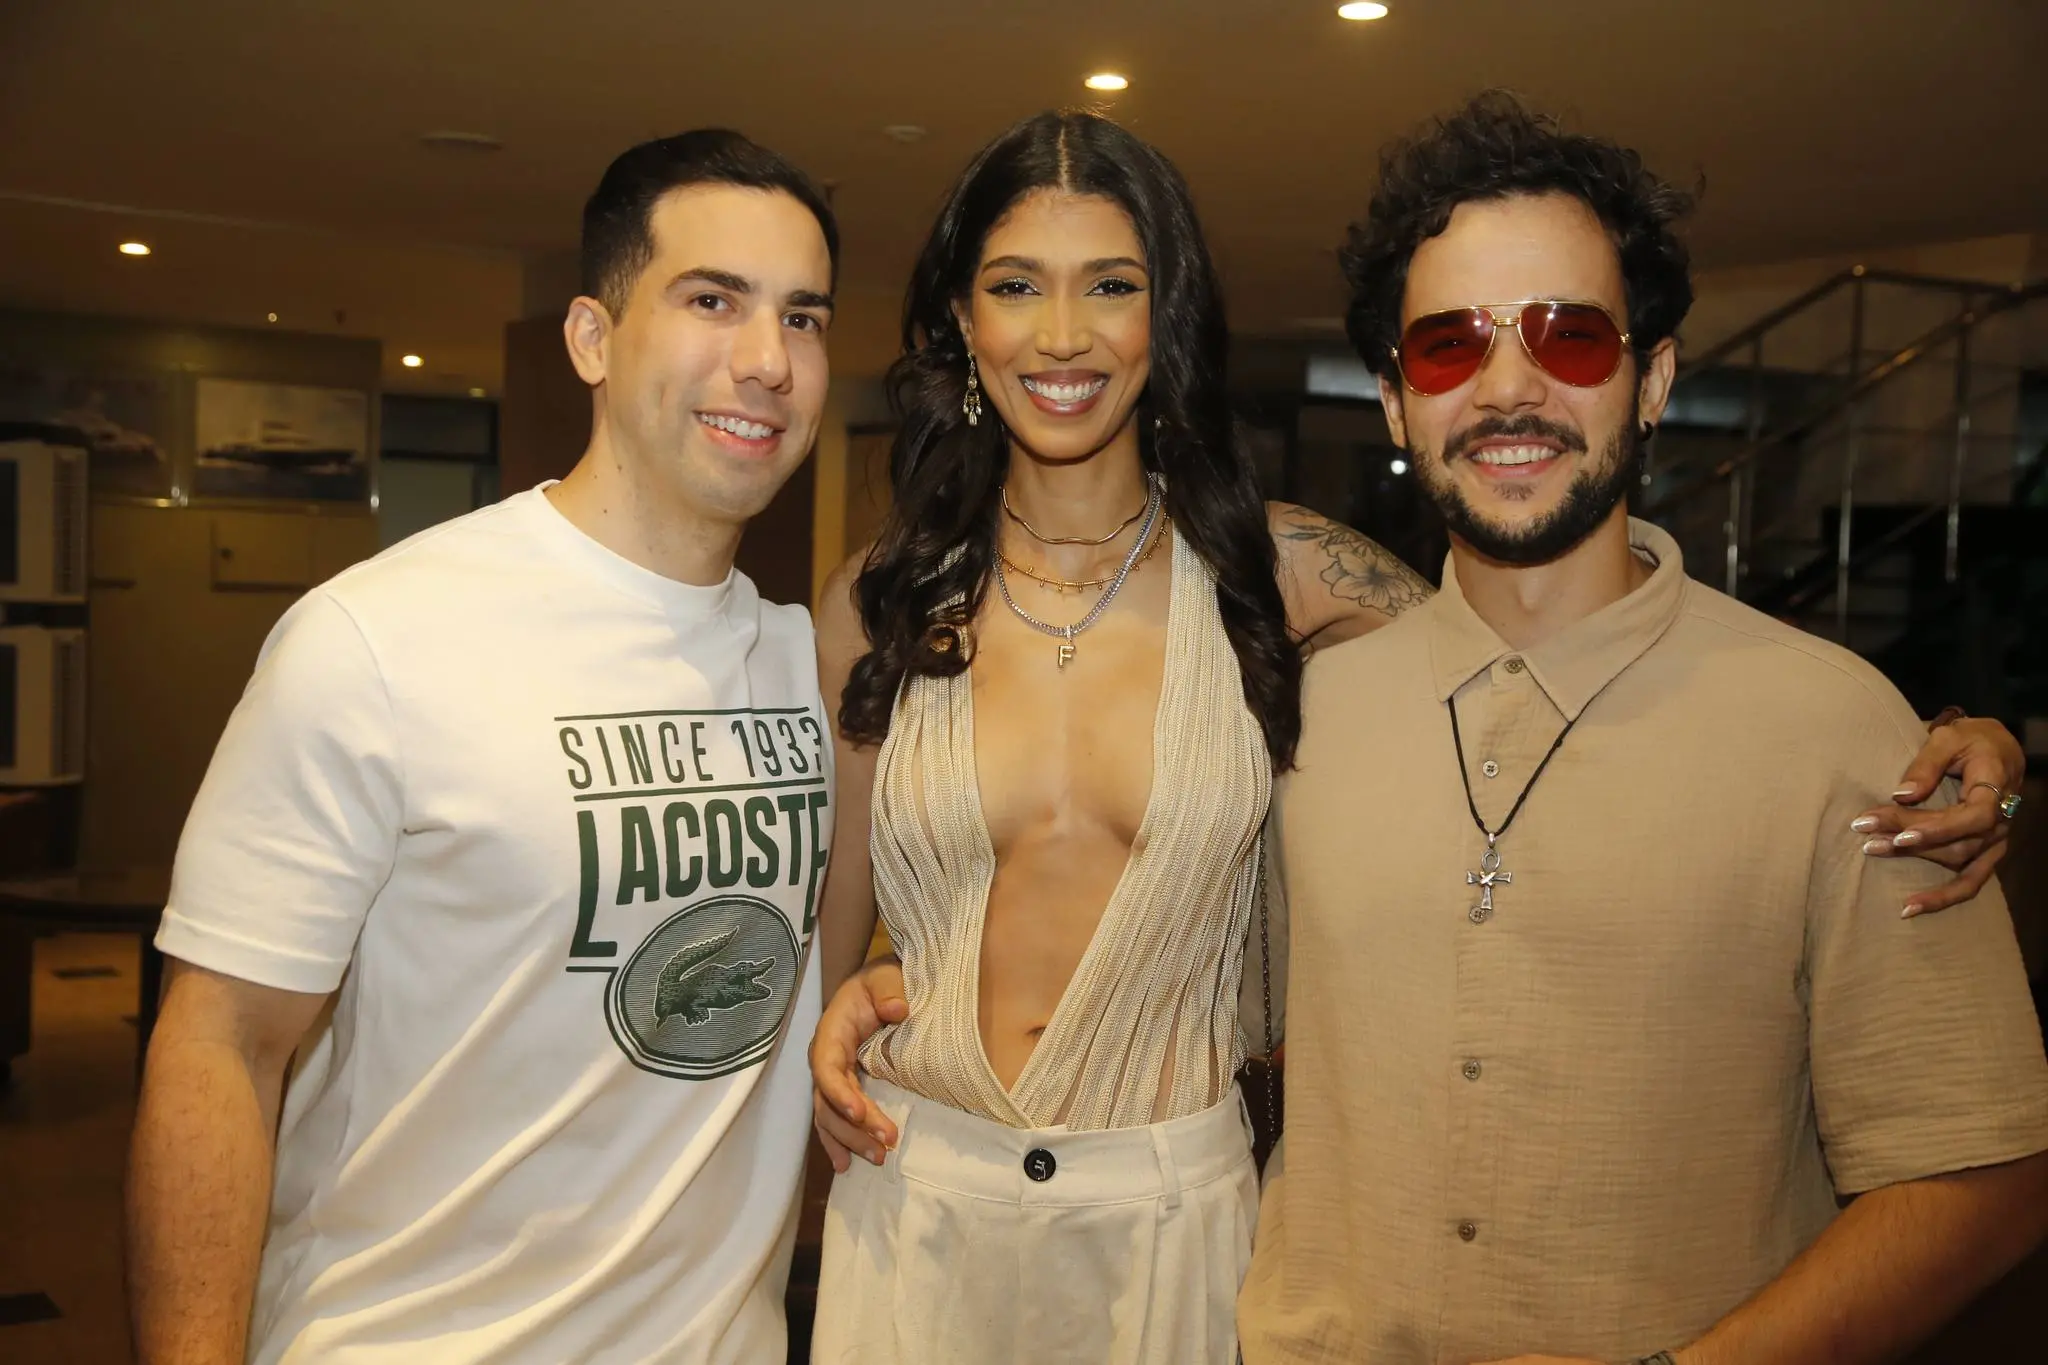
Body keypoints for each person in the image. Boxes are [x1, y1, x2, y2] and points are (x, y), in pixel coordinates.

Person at [803, 109, 2027, 1365]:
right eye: (1015, 285)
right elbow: (857, 941)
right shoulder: (889, 607)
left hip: (1172, 1231)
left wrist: (1956, 737)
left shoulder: (1274, 584)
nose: (1506, 388)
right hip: (929, 1198)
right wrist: (898, 982)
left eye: (1111, 284)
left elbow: (1514, 636)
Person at [1233, 94, 2048, 1365]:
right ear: (1394, 402)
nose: (1509, 388)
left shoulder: (1831, 728)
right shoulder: (1301, 720)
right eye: (1448, 347)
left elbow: (1978, 1178)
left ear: (1650, 379)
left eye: (1568, 337)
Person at [127, 130, 839, 1364]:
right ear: (591, 338)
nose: (768, 360)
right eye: (711, 300)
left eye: (804, 317)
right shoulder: (378, 639)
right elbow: (221, 1047)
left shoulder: (806, 666)